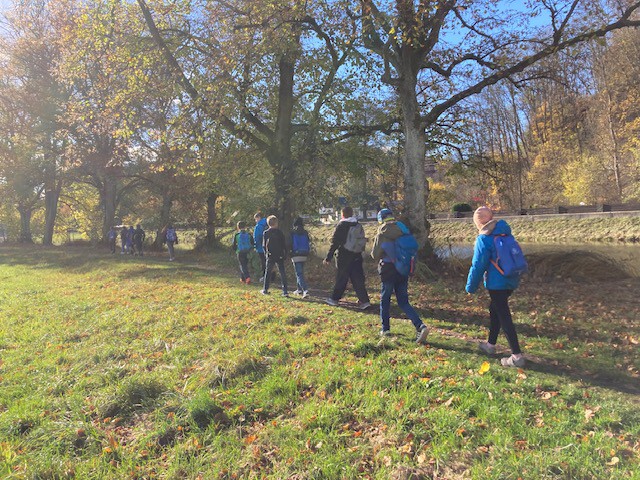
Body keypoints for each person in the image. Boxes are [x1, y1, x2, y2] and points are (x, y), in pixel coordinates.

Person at [466, 206, 525, 368]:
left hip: (496, 283)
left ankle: (516, 356)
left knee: (504, 315)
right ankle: (490, 345)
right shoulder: (505, 232)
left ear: (478, 222)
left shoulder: (484, 238)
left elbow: (478, 265)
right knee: (495, 309)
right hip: (511, 279)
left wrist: (470, 287)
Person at [371, 208, 428, 344]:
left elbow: (374, 254)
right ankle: (420, 326)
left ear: (380, 219)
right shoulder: (403, 230)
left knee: (385, 300)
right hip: (403, 269)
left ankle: (385, 329)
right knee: (403, 301)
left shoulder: (382, 233)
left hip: (388, 269)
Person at [323, 206, 371, 309]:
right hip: (357, 255)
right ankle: (365, 301)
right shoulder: (358, 224)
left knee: (342, 278)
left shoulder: (342, 225)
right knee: (358, 278)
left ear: (343, 214)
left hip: (344, 255)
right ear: (352, 213)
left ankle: (334, 299)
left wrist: (328, 257)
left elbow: (335, 242)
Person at [261, 215, 288, 296]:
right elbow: (284, 244)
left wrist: (266, 254)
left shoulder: (266, 233)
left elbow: (263, 245)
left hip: (270, 255)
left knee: (268, 272)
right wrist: (285, 254)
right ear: (276, 223)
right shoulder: (280, 232)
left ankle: (265, 289)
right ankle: (285, 291)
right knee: (282, 272)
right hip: (279, 254)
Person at [290, 217, 310, 298]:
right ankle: (299, 289)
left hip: (296, 254)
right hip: (304, 254)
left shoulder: (293, 232)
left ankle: (305, 290)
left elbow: (290, 243)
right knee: (300, 272)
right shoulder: (305, 232)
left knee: (299, 273)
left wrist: (290, 253)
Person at [253, 212, 268, 282]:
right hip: (269, 247)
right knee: (268, 261)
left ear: (259, 217)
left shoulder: (258, 226)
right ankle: (268, 275)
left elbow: (257, 237)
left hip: (261, 247)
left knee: (263, 262)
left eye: (256, 219)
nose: (256, 221)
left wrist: (255, 245)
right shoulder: (268, 223)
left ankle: (264, 276)